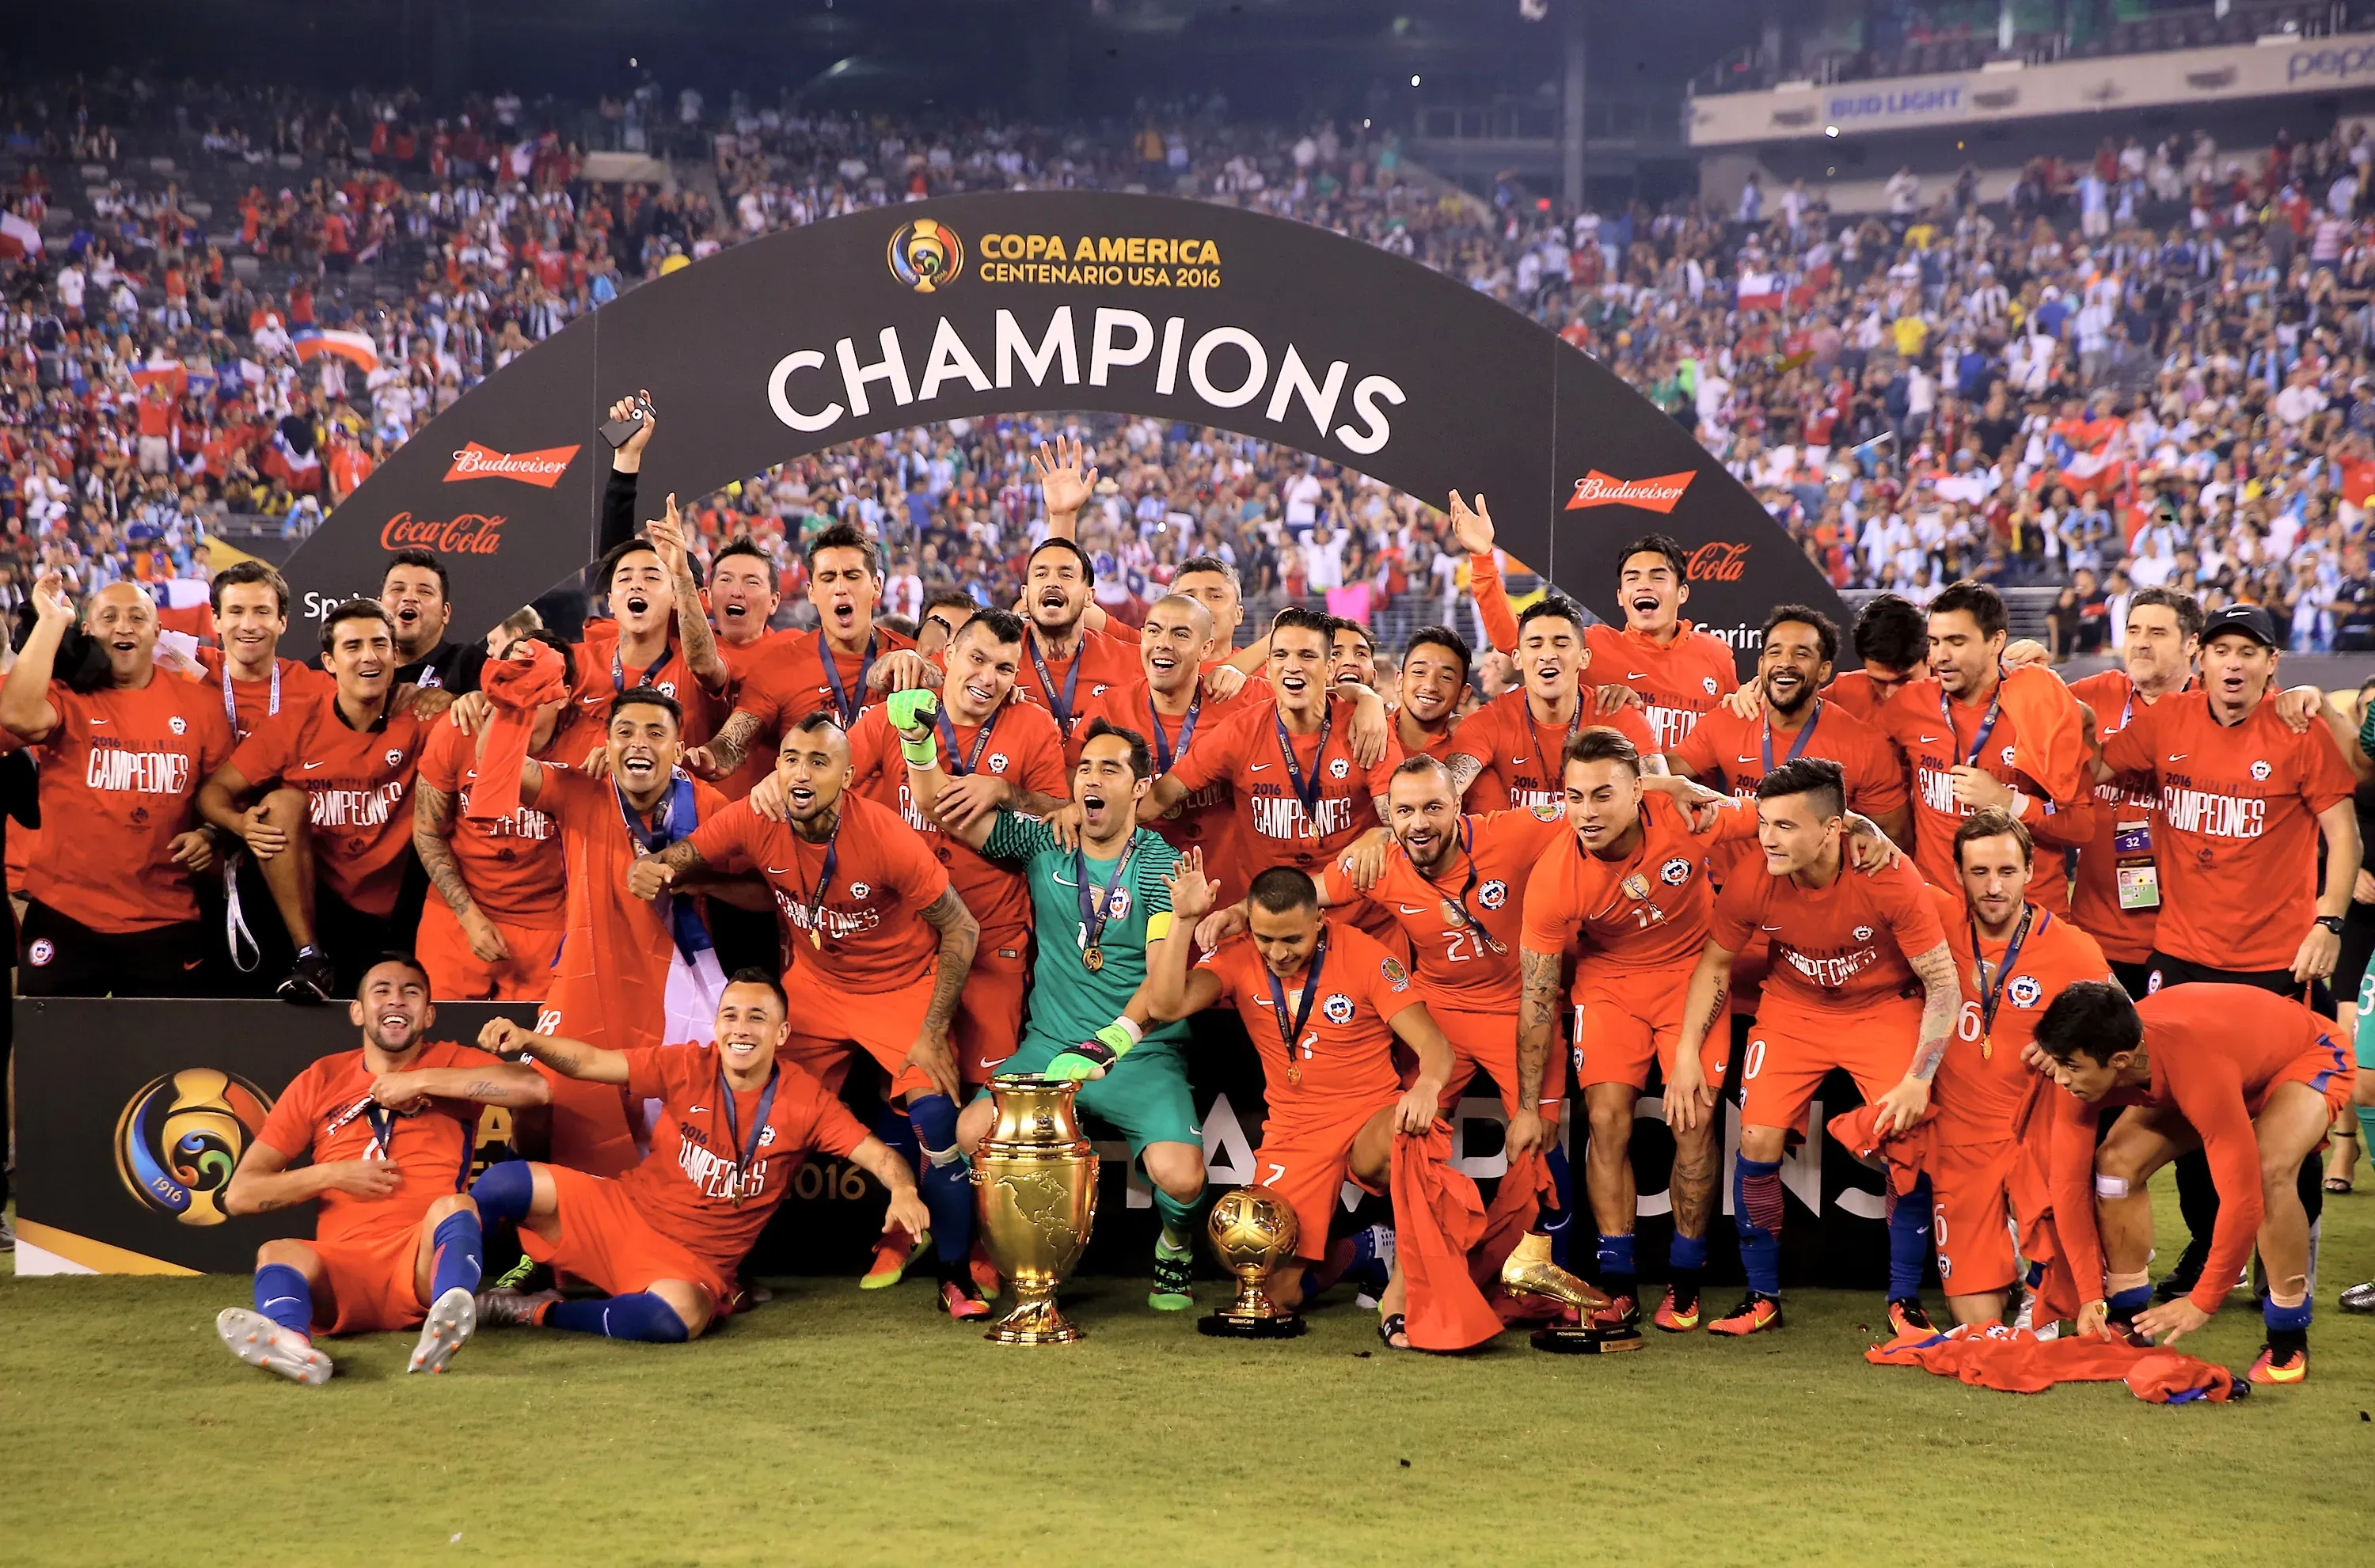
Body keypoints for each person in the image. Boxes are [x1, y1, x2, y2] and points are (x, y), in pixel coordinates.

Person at [641, 711, 986, 1319]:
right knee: (753, 1114)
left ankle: (956, 1273)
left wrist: (932, 1031)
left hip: (901, 988)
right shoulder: (760, 815)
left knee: (936, 1121)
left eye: (819, 762)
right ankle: (724, 1269)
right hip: (816, 989)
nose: (801, 773)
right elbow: (696, 849)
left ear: (848, 776)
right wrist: (661, 866)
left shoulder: (882, 836)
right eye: (791, 760)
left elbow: (962, 926)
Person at [2088, 600, 2360, 1304]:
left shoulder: (2298, 729)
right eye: (2221, 650)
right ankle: (2213, 1255)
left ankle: (2283, 1274)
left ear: (2272, 663)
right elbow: (2094, 769)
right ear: (2200, 659)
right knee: (2178, 1115)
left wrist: (2328, 922)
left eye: (2249, 652)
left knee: (2284, 1137)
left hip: (2279, 964)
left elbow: (2344, 834)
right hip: (2181, 959)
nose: (2233, 664)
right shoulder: (2165, 722)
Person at [905, 710, 1207, 1310]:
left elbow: (1161, 984)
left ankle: (1174, 1246)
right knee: (971, 1132)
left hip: (1137, 1051)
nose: (1092, 779)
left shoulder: (1157, 865)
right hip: (1049, 1048)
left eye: (1111, 769)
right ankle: (1034, 1251)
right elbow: (946, 809)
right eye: (1085, 768)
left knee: (1182, 1177)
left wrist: (1111, 1043)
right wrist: (918, 745)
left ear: (1141, 786)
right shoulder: (1048, 838)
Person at [467, 970, 931, 1342]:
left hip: (692, 1264)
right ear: (716, 1026)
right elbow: (590, 1062)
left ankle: (537, 1312)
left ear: (782, 1032)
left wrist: (905, 1190)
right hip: (623, 1212)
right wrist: (529, 1041)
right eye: (730, 1015)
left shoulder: (806, 1100)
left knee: (674, 1321)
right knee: (502, 1183)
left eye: (756, 1017)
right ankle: (439, 1298)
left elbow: (879, 1158)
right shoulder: (689, 1064)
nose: (741, 1029)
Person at [1673, 757, 1961, 1336]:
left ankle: (1904, 1297)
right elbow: (1714, 966)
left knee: (1905, 1136)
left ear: (1834, 829)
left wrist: (1919, 1076)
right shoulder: (1756, 876)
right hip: (1793, 1008)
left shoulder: (1887, 874)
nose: (1768, 839)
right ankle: (1762, 1296)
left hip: (1880, 1007)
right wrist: (1685, 1052)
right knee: (1755, 1135)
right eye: (1764, 823)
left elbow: (1944, 983)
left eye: (1785, 826)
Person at [839, 609, 1063, 1287]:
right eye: (978, 660)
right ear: (947, 656)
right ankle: (907, 1227)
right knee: (916, 1086)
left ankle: (985, 1243)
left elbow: (1063, 810)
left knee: (984, 1101)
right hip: (902, 942)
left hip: (994, 937)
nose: (989, 678)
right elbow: (832, 777)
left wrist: (1007, 790)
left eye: (1005, 669)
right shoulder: (894, 715)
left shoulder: (1032, 725)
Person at [1147, 861, 1456, 1348]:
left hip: (1367, 1117)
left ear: (1319, 921)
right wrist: (1183, 922)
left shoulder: (1364, 955)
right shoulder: (1238, 955)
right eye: (1265, 939)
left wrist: (1426, 1088)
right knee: (1271, 1295)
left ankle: (1404, 1290)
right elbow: (1165, 1007)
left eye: (1292, 939)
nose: (1277, 953)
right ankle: (1367, 1251)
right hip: (1294, 1131)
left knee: (1409, 1134)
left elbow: (1437, 1046)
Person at [214, 955, 537, 1384]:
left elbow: (533, 1088)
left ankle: (449, 1312)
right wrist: (331, 1175)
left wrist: (421, 1081)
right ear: (358, 1010)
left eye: (412, 992)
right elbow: (239, 1196)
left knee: (456, 1205)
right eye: (381, 991)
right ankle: (292, 1345)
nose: (397, 1001)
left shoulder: (451, 1061)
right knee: (276, 1252)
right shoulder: (321, 1078)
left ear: (429, 1013)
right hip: (342, 1268)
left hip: (419, 1258)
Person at [2033, 981, 2354, 1384]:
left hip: (2307, 1054)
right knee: (2115, 1166)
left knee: (2265, 1171)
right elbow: (2066, 1187)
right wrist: (2090, 1296)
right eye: (2058, 1063)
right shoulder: (2083, 1063)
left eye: (2071, 1067)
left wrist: (2202, 1301)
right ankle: (2127, 1316)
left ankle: (2288, 1333)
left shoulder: (2193, 1065)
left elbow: (2242, 1201)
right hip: (2230, 1056)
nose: (2060, 1078)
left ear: (2118, 1061)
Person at [487, 685, 732, 1175]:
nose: (639, 743)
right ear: (607, 742)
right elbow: (499, 770)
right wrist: (512, 701)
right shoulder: (580, 787)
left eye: (655, 733)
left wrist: (689, 877)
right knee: (539, 1104)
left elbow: (764, 893)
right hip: (586, 974)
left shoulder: (710, 805)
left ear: (678, 749)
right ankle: (526, 1231)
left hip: (673, 987)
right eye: (625, 732)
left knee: (671, 1127)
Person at [0, 575, 230, 994]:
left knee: (166, 1059)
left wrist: (210, 832)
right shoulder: (66, 695)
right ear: (87, 630)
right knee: (55, 1052)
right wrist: (52, 620)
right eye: (109, 617)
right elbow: (16, 716)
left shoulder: (200, 703)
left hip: (164, 917)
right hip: (66, 912)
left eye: (137, 617)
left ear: (157, 633)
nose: (124, 626)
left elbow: (222, 790)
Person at [1926, 809, 2111, 1327]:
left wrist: (2067, 1047)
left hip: (2040, 1140)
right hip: (1961, 1145)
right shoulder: (1935, 922)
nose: (1992, 886)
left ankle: (2065, 1264)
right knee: (1978, 1327)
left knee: (2044, 1331)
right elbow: (1877, 860)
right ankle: (2007, 1245)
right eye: (1979, 872)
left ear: (2031, 870)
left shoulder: (2071, 947)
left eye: (2007, 871)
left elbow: (2130, 1035)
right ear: (1958, 874)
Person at [199, 600, 436, 1003]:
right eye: (353, 647)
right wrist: (240, 825)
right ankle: (310, 956)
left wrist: (461, 701)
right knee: (282, 805)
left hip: (395, 901)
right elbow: (213, 793)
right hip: (313, 894)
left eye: (380, 645)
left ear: (396, 655)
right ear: (329, 661)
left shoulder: (425, 717)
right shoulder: (296, 722)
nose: (369, 657)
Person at [1139, 606, 1401, 945]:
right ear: (1270, 665)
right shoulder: (1240, 731)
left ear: (1330, 667)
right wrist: (1093, 822)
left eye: (1307, 655)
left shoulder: (1365, 729)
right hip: (1268, 929)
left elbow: (1401, 822)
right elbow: (1163, 795)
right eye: (1281, 655)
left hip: (1363, 927)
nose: (1292, 666)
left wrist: (1382, 834)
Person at [1879, 579, 2095, 915]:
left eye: (1956, 642)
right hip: (1942, 918)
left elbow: (2081, 826)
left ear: (1996, 641)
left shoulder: (2040, 704)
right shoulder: (1910, 704)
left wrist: (2010, 802)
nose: (1940, 657)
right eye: (1934, 642)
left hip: (2029, 919)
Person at [411, 632, 590, 1000]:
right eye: (511, 680)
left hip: (549, 920)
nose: (521, 696)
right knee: (442, 1040)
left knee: (537, 1045)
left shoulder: (592, 744)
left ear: (564, 696)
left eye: (536, 684)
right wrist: (469, 917)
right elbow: (428, 832)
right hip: (459, 911)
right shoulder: (457, 729)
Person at [690, 522, 934, 782]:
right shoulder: (781, 666)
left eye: (852, 576)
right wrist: (696, 758)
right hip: (809, 816)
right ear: (811, 592)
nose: (841, 588)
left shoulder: (910, 658)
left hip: (889, 821)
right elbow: (730, 746)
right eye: (828, 578)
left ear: (877, 586)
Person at [1665, 604, 1910, 845]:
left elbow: (1893, 838)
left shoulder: (1864, 744)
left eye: (1801, 654)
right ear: (1761, 665)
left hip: (1815, 885)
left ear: (1824, 671)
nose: (1785, 662)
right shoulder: (1729, 719)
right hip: (1732, 882)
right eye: (1775, 652)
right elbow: (1664, 771)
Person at [1077, 591, 1264, 904]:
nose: (1163, 642)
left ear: (1206, 648)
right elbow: (1074, 778)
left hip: (1226, 897)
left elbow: (1320, 702)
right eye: (1153, 630)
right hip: (1133, 896)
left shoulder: (1241, 700)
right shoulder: (1111, 708)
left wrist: (1363, 697)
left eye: (1180, 634)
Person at [2064, 587, 2200, 997]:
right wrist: (2023, 666)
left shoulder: (2213, 708)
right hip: (2094, 931)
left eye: (2157, 632)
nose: (2141, 642)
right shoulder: (2093, 696)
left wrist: (2305, 695)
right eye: (2133, 630)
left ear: (2192, 644)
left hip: (2182, 938)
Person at [1448, 596, 1658, 813]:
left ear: (1584, 658)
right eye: (1535, 645)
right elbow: (1442, 793)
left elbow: (1660, 793)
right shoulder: (1488, 721)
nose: (1548, 655)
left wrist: (1676, 784)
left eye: (1561, 644)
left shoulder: (1617, 714)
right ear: (1517, 659)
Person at [1582, 533, 1740, 750]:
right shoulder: (1590, 646)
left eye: (1658, 577)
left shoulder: (1716, 654)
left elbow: (1736, 731)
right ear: (1620, 596)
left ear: (1682, 593)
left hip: (1695, 784)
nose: (1644, 585)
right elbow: (1521, 647)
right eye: (1632, 578)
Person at [1010, 537, 1143, 759]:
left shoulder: (1128, 661)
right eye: (1041, 574)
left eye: (1066, 575)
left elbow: (1190, 679)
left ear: (1089, 596)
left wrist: (1223, 673)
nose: (1052, 583)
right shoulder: (996, 658)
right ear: (1025, 594)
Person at [188, 561, 333, 742]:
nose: (249, 626)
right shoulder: (189, 670)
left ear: (282, 622)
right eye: (236, 612)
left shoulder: (318, 691)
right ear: (216, 620)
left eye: (262, 612)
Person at [379, 549, 489, 694]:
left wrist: (456, 702)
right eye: (398, 589)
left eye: (425, 591)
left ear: (445, 613)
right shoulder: (364, 666)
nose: (409, 597)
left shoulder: (469, 663)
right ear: (377, 608)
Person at [1821, 592, 1928, 725]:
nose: (1891, 694)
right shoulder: (1844, 693)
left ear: (1929, 658)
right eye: (1879, 682)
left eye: (1903, 679)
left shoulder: (1957, 699)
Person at [1393, 625, 1472, 761]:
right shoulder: (1366, 737)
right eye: (1419, 672)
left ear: (1463, 693)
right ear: (1400, 680)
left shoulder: (1474, 751)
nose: (1430, 686)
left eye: (1445, 677)